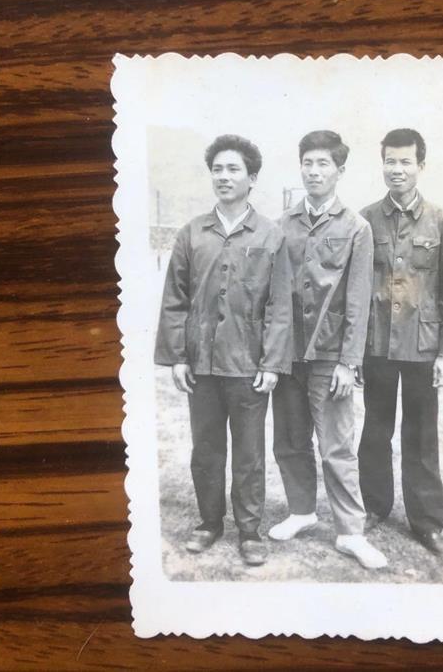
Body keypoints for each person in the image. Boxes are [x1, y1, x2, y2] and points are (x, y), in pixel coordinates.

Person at [154, 134, 292, 567]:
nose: (224, 177)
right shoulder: (192, 233)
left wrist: (272, 363)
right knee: (206, 449)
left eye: (234, 169)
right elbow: (175, 300)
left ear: (252, 178)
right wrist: (178, 356)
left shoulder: (271, 235)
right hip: (201, 364)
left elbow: (279, 305)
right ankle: (209, 522)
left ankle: (250, 531)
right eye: (217, 169)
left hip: (248, 366)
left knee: (249, 453)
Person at [269, 130, 387, 570]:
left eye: (323, 164)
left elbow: (358, 301)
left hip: (330, 357)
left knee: (336, 447)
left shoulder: (356, 227)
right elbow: (272, 295)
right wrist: (272, 355)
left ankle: (351, 533)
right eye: (308, 163)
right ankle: (301, 511)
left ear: (340, 170)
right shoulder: (281, 224)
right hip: (287, 355)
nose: (314, 171)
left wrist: (348, 363)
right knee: (289, 440)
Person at [358, 128, 443, 555]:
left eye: (405, 162)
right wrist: (355, 351)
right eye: (390, 161)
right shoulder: (365, 219)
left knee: (421, 434)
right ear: (381, 164)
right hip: (377, 344)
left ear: (421, 166)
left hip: (422, 345)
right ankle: (374, 506)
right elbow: (357, 290)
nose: (396, 169)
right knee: (375, 430)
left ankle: (426, 521)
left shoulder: (442, 221)